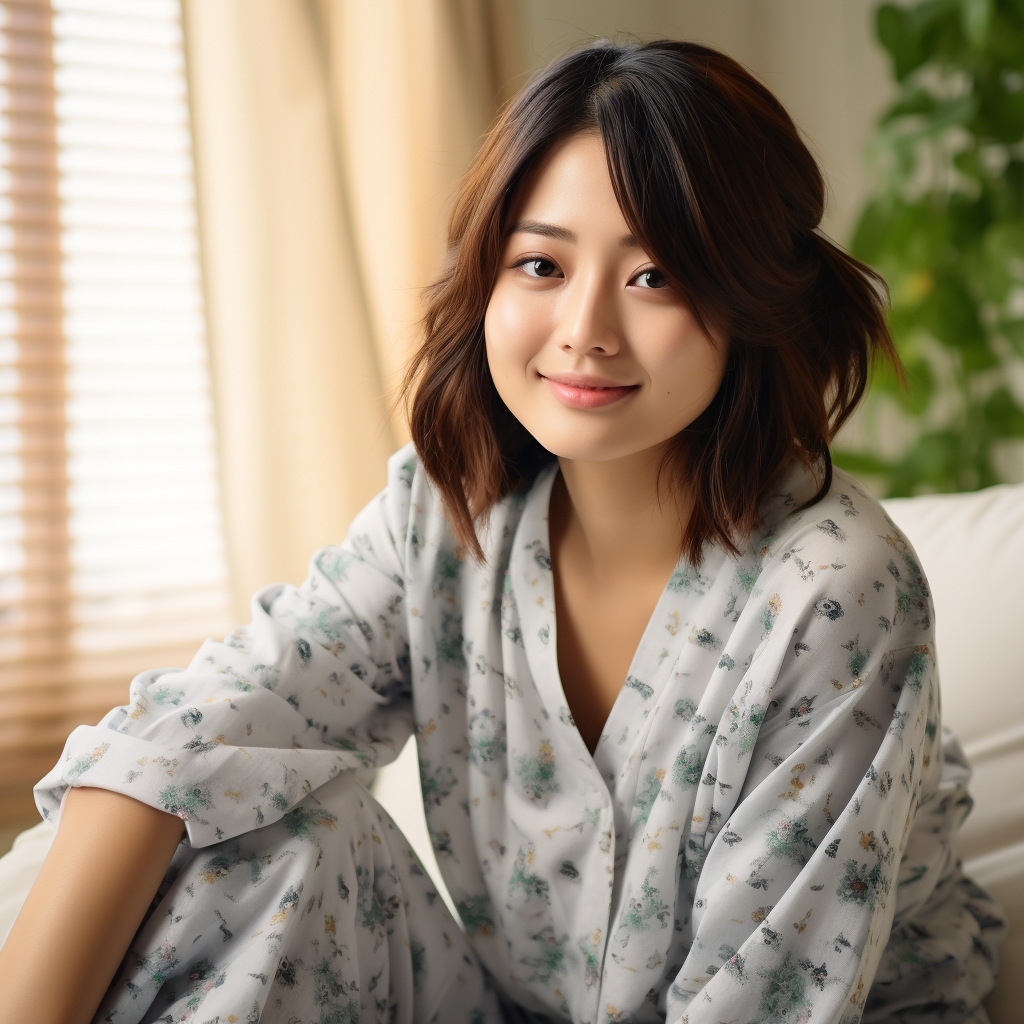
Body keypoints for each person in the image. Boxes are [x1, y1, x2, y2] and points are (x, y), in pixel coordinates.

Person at [0, 39, 1006, 1024]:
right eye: (539, 264)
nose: (585, 327)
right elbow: (184, 739)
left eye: (654, 276)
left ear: (748, 298)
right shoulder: (445, 514)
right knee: (258, 842)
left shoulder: (836, 588)